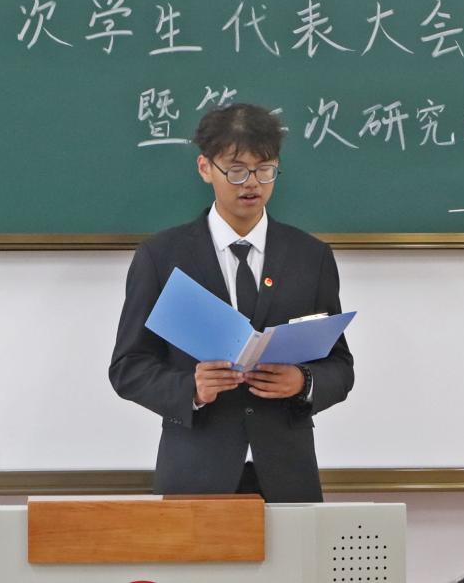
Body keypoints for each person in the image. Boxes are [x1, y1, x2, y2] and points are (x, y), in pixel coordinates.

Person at [109, 102, 354, 502]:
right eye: (236, 170)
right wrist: (191, 388)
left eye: (264, 169)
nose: (251, 183)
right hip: (196, 473)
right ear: (205, 168)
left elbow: (340, 366)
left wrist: (303, 382)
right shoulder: (162, 257)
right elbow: (128, 367)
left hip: (287, 475)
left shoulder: (311, 257)